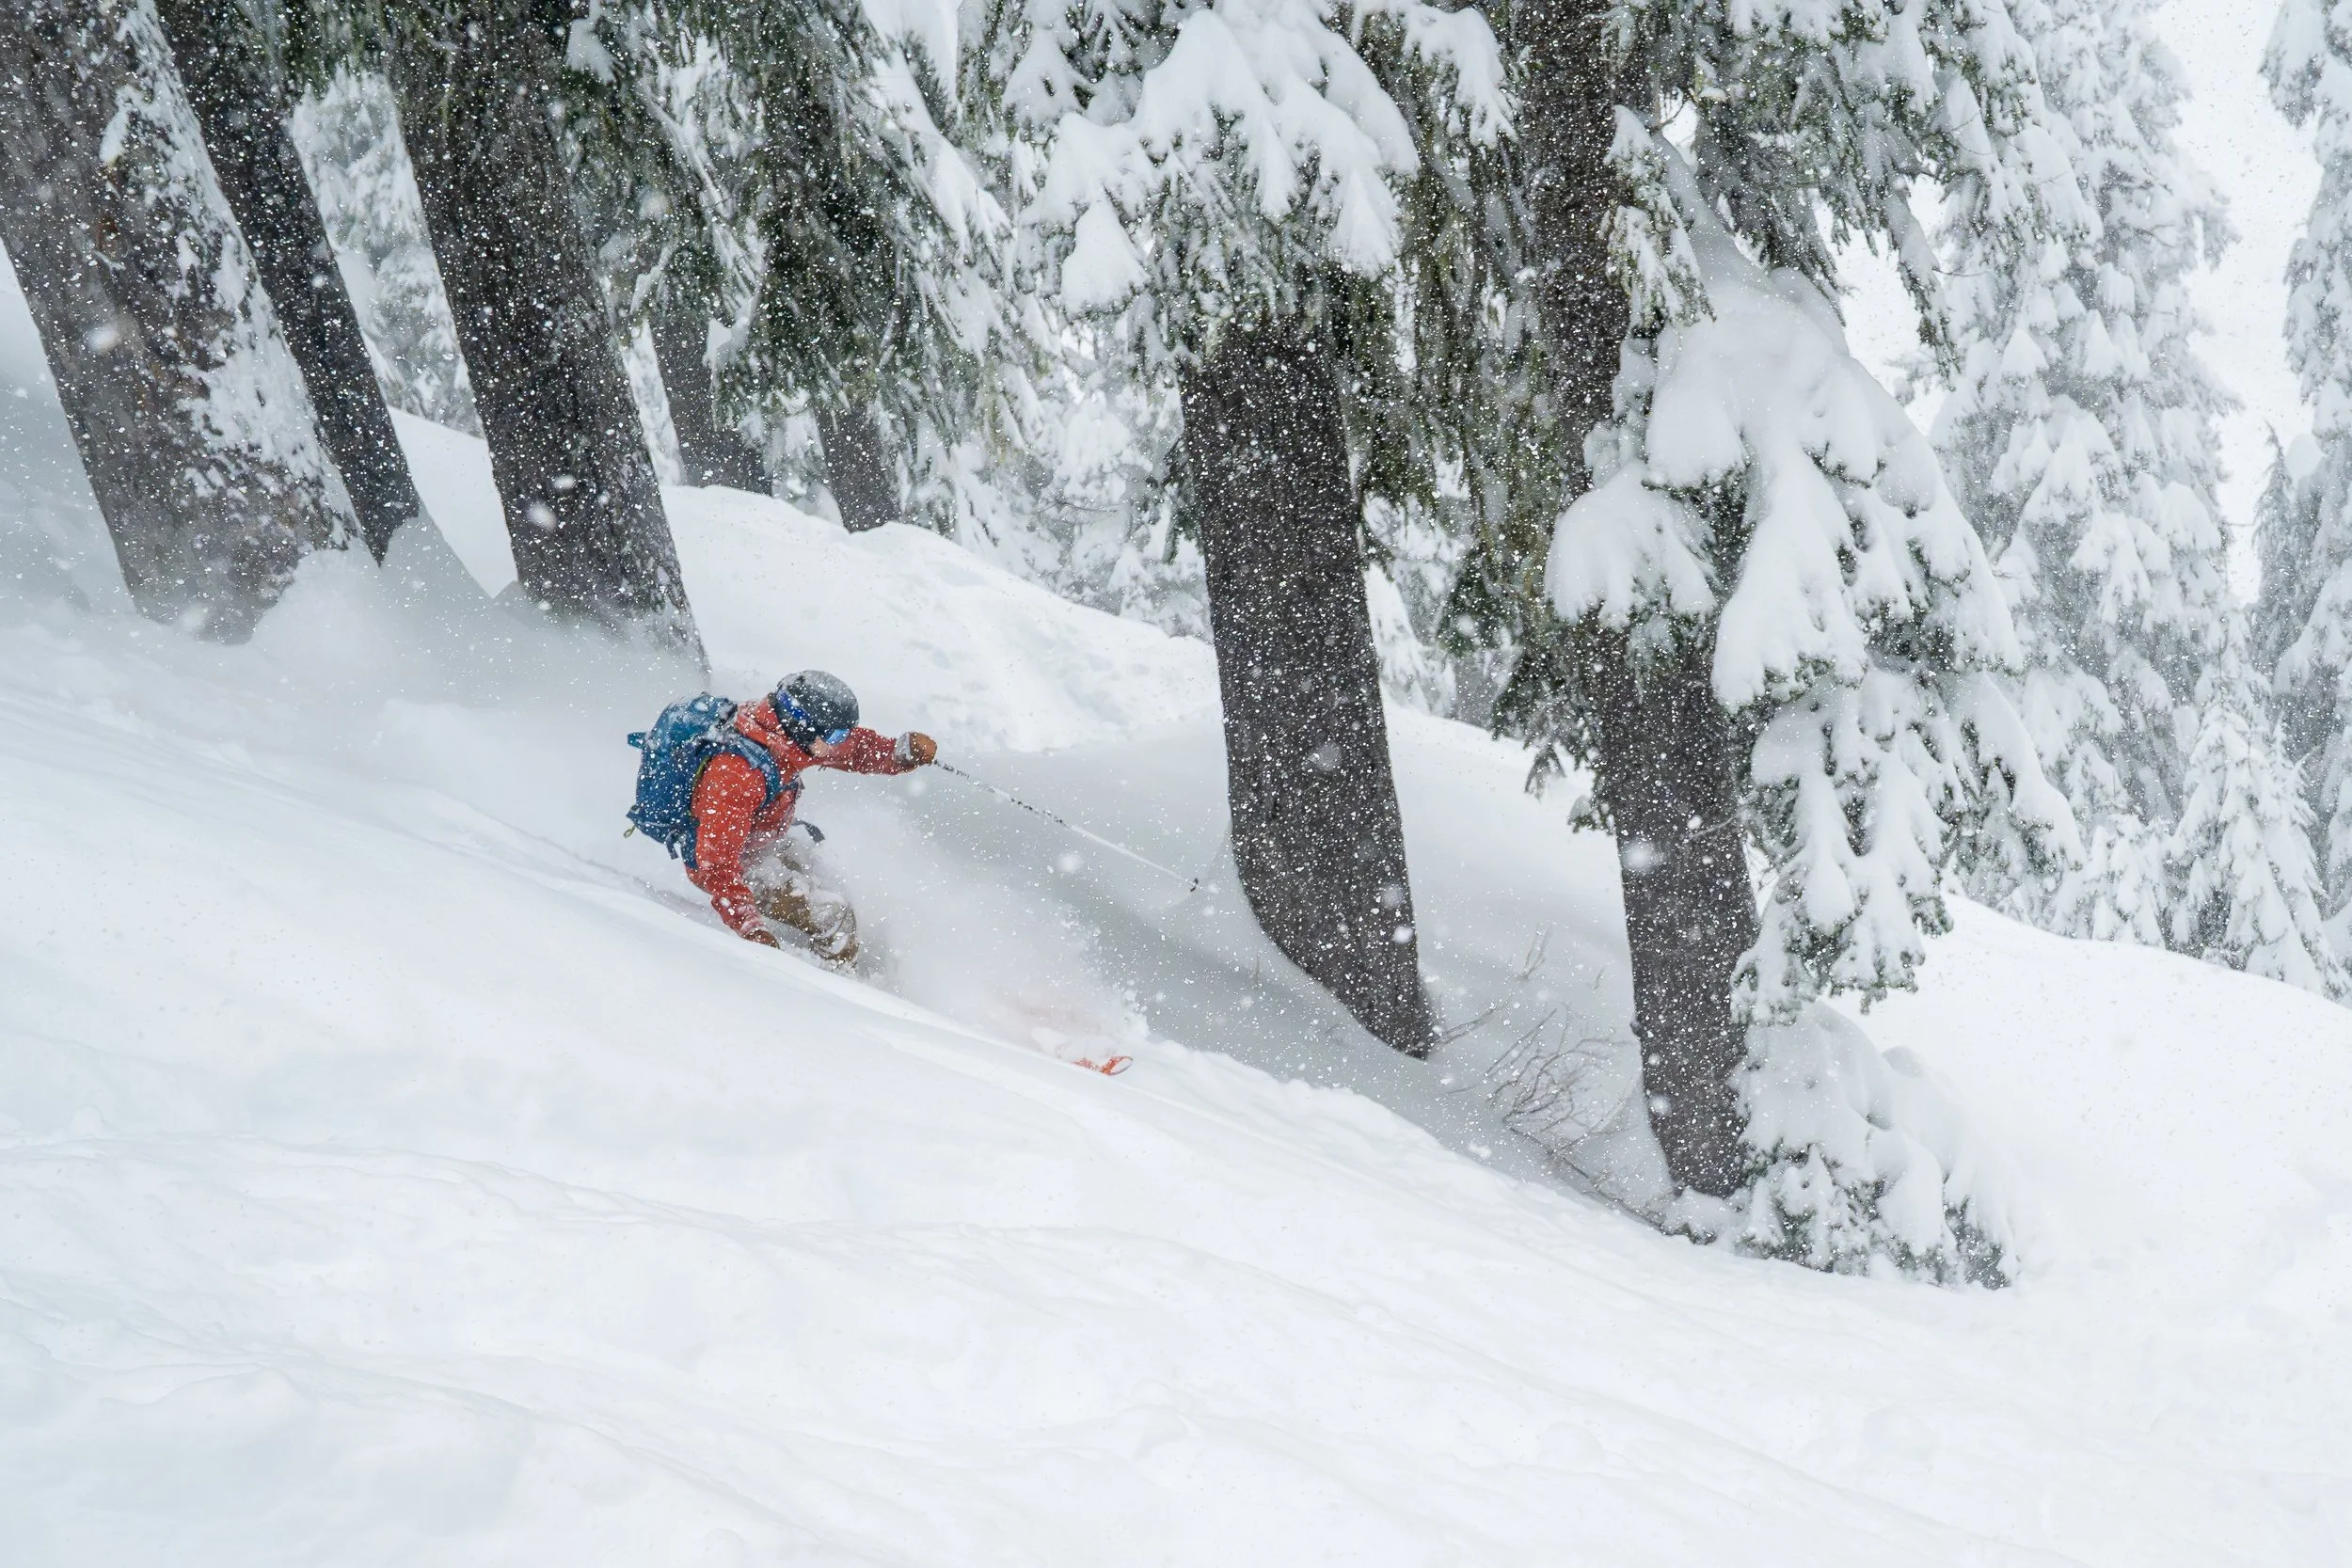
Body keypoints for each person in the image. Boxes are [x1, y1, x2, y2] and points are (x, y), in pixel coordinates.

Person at [687, 671, 936, 963]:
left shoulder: (786, 734)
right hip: (730, 864)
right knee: (834, 915)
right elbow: (715, 864)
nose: (837, 743)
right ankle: (828, 990)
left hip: (761, 842)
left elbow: (855, 750)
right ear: (804, 727)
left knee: (821, 876)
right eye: (834, 735)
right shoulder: (739, 774)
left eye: (840, 734)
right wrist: (750, 927)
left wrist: (900, 753)